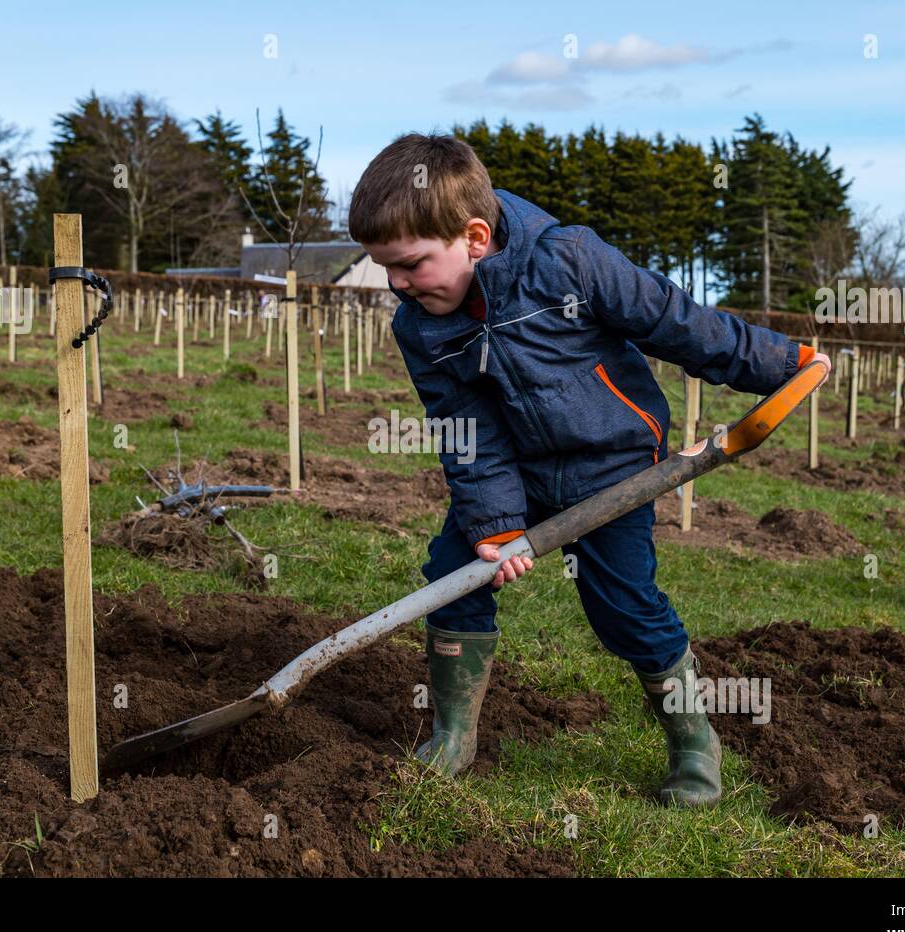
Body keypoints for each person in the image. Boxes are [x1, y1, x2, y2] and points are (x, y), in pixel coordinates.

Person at [348, 133, 829, 807]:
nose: (397, 283)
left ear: (475, 237)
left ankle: (694, 743)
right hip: (516, 471)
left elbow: (676, 322)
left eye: (412, 264)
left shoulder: (569, 261)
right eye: (385, 268)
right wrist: (494, 523)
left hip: (613, 466)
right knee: (455, 576)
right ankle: (453, 737)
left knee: (623, 608)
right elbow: (465, 425)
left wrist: (783, 363)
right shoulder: (420, 325)